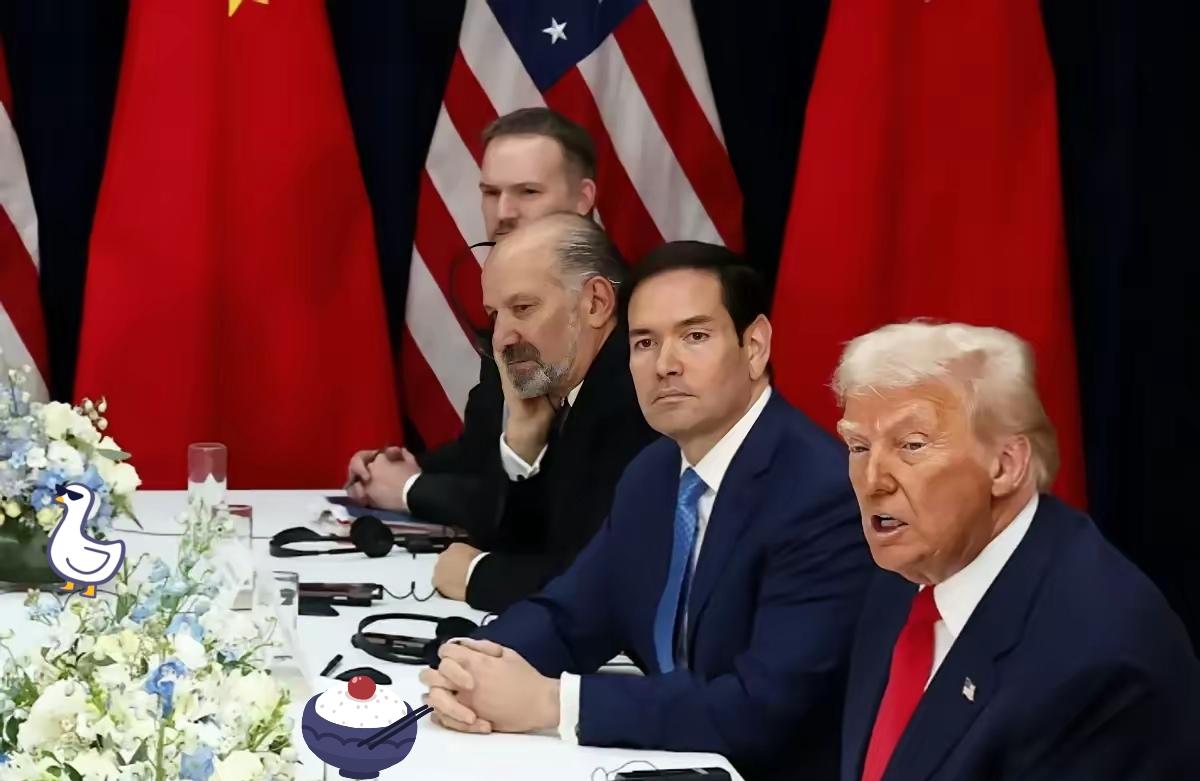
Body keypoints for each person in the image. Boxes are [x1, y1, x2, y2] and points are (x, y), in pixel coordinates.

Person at [420, 242, 873, 780]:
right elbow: (571, 615)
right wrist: (475, 666)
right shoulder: (653, 472)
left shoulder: (820, 492)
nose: (665, 365)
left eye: (695, 336)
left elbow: (761, 710)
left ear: (754, 346)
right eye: (644, 343)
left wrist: (553, 703)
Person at [833, 322, 1200, 781]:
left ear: (1005, 466)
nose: (873, 481)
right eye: (859, 446)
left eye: (911, 446)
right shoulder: (905, 573)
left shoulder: (1096, 661)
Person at [345, 109, 647, 611]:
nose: (504, 212)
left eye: (527, 191)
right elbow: (487, 453)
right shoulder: (517, 324)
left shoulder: (637, 347)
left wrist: (471, 563)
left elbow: (607, 565)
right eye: (490, 192)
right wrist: (405, 469)